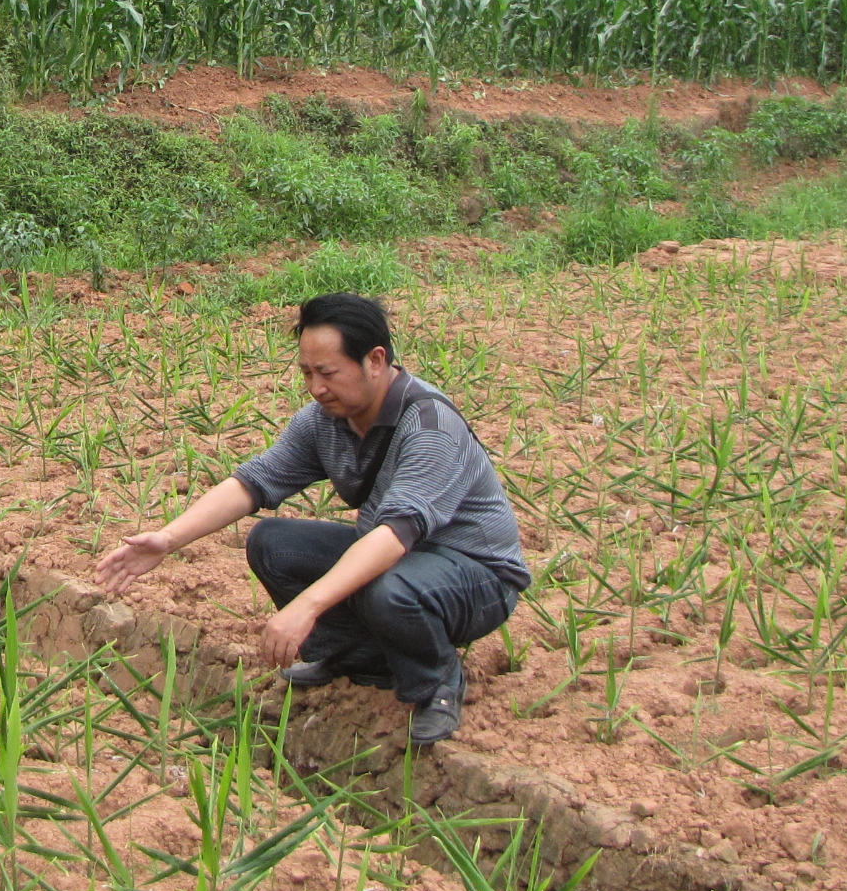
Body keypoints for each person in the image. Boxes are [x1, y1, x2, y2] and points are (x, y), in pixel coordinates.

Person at [93, 293, 529, 745]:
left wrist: (308, 605)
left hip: (476, 575)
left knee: (388, 587)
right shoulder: (325, 420)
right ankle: (361, 657)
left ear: (375, 360)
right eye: (307, 373)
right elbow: (254, 482)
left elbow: (397, 535)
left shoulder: (430, 426)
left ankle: (436, 681)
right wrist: (168, 538)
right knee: (273, 543)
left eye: (328, 373)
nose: (316, 388)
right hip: (402, 557)